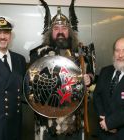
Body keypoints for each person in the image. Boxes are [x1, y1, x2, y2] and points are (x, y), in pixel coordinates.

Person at [29, 0, 94, 140]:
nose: (60, 32)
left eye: (63, 29)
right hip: (47, 118)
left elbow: (92, 75)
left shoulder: (82, 53)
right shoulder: (38, 54)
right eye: (56, 29)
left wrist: (89, 78)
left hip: (75, 118)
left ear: (70, 32)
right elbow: (30, 84)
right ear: (50, 32)